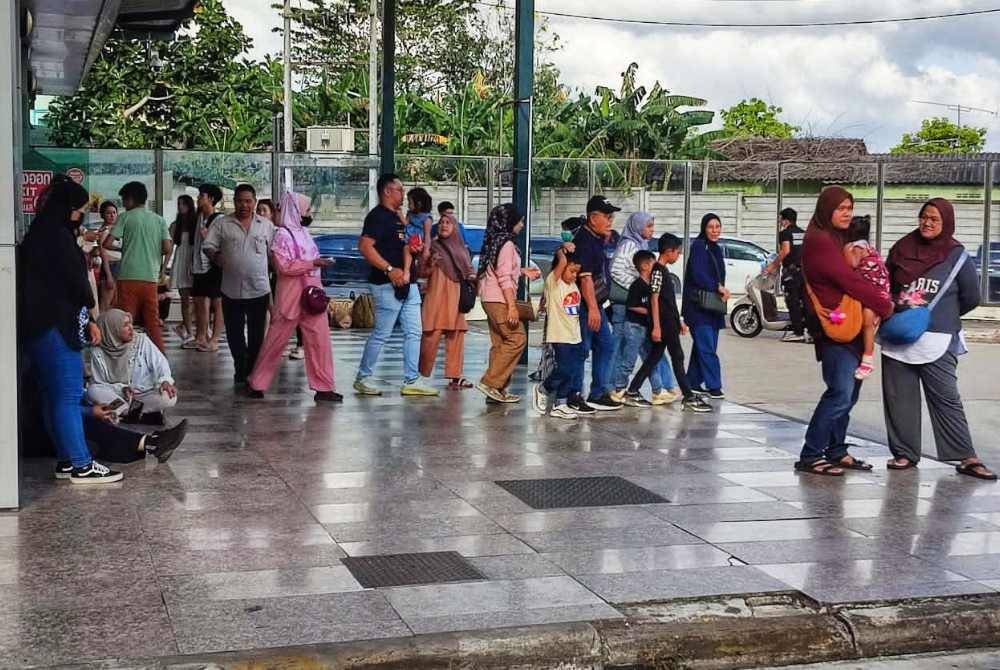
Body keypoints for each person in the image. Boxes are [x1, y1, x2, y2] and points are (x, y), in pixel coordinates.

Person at [882, 198, 995, 480]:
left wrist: (941, 316)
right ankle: (905, 453)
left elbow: (971, 297)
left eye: (934, 219)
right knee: (899, 398)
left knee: (946, 398)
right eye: (924, 217)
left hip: (937, 338)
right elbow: (886, 286)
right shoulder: (901, 249)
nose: (927, 223)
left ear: (946, 223)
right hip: (898, 335)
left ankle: (966, 456)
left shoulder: (956, 255)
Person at [21, 178, 123, 484]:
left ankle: (67, 460)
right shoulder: (58, 239)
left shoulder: (37, 234)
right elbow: (77, 284)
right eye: (79, 210)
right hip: (57, 327)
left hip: (37, 328)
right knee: (67, 395)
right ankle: (81, 463)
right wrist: (92, 314)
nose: (79, 216)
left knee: (53, 396)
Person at [797, 186, 893, 477]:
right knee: (840, 393)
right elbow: (848, 279)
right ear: (827, 209)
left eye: (850, 208)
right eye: (841, 208)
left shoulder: (836, 237)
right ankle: (811, 453)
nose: (847, 213)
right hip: (836, 326)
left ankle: (836, 450)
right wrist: (884, 305)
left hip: (849, 324)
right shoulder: (819, 240)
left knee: (848, 394)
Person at [246, 192, 340, 402]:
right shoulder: (282, 236)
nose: (309, 213)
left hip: (311, 297)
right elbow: (282, 266)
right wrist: (313, 264)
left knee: (320, 342)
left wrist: (317, 264)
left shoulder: (304, 233)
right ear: (296, 211)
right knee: (275, 342)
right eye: (306, 209)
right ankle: (257, 383)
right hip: (291, 298)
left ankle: (324, 387)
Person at [354, 174, 438, 397]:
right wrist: (390, 270)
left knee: (414, 332)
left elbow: (404, 246)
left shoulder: (399, 219)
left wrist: (412, 260)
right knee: (382, 332)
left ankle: (412, 379)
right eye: (400, 190)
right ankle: (363, 377)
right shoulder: (377, 217)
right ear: (387, 191)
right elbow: (365, 246)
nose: (403, 194)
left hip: (408, 283)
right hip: (386, 284)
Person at [626, 235, 713, 413]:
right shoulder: (658, 271)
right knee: (677, 357)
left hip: (670, 322)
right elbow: (655, 299)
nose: (679, 256)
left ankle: (633, 390)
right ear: (669, 251)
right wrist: (657, 326)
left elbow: (669, 301)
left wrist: (679, 320)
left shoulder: (662, 271)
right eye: (678, 252)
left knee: (653, 358)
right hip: (664, 325)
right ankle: (688, 396)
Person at [202, 183, 274, 386]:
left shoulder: (266, 226)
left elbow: (275, 252)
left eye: (248, 201)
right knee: (234, 333)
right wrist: (216, 257)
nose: (244, 205)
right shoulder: (223, 223)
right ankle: (239, 366)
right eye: (240, 201)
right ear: (234, 202)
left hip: (259, 288)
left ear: (255, 202)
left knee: (256, 334)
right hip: (231, 289)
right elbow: (208, 246)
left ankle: (251, 371)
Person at [608, 211, 678, 405]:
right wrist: (636, 285)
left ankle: (659, 387)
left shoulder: (641, 246)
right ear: (638, 227)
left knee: (645, 351)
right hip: (626, 308)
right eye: (648, 226)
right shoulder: (629, 245)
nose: (651, 230)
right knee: (624, 352)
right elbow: (615, 269)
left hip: (637, 311)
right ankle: (613, 387)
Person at [476, 203, 541, 403]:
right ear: (510, 222)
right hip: (500, 300)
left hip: (489, 299)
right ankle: (490, 382)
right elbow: (504, 277)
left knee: (500, 343)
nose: (521, 225)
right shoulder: (507, 244)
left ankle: (496, 391)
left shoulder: (495, 240)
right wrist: (512, 306)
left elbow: (498, 270)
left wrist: (522, 271)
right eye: (519, 221)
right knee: (517, 338)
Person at [103, 181, 172, 353]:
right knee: (152, 322)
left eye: (124, 200)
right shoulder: (159, 220)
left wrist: (124, 247)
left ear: (131, 199)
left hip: (128, 276)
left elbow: (107, 243)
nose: (124, 205)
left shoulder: (125, 217)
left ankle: (126, 358)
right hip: (150, 278)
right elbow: (167, 248)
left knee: (126, 321)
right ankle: (161, 361)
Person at [571, 195, 624, 412]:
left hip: (596, 304)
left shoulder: (594, 238)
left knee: (606, 344)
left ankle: (598, 392)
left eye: (611, 216)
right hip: (585, 306)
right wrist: (593, 308)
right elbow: (585, 278)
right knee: (581, 349)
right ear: (593, 218)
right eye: (607, 216)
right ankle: (573, 394)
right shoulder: (584, 241)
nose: (610, 221)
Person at [86, 308, 178, 424]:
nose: (131, 328)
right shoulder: (97, 351)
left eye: (130, 323)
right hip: (118, 396)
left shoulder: (141, 341)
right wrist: (122, 388)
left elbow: (160, 364)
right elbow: (100, 383)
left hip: (143, 393)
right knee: (93, 391)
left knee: (168, 397)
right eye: (125, 325)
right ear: (112, 330)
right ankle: (138, 414)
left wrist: (165, 381)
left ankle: (126, 414)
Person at [418, 213, 475, 389]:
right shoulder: (432, 246)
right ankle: (420, 376)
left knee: (456, 335)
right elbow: (421, 271)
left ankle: (455, 376)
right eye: (441, 222)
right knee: (431, 335)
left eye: (448, 223)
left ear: (455, 227)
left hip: (456, 298)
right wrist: (431, 264)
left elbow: (469, 271)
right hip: (437, 296)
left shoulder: (462, 249)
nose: (444, 225)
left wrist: (473, 277)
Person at [531, 242, 584, 419]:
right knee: (564, 368)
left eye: (577, 272)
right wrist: (562, 250)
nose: (574, 275)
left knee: (572, 370)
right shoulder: (554, 283)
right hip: (559, 334)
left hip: (574, 335)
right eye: (571, 271)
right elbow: (561, 264)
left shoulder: (573, 286)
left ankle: (560, 403)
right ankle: (543, 389)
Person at [682, 213, 729, 399]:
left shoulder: (716, 248)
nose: (715, 231)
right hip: (698, 307)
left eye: (718, 227)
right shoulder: (699, 247)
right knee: (707, 347)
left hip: (713, 307)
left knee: (703, 347)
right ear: (704, 228)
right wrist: (717, 287)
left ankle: (692, 382)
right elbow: (699, 274)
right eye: (711, 227)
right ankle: (714, 385)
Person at [841, 215, 889, 380]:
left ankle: (867, 359)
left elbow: (852, 265)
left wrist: (845, 250)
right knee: (867, 319)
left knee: (867, 320)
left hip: (871, 292)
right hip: (880, 290)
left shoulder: (854, 247)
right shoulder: (868, 246)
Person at [258, 197, 304, 360]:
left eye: (264, 210)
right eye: (259, 210)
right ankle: (275, 343)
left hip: (283, 277)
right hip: (268, 275)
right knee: (275, 311)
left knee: (290, 311)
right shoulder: (261, 230)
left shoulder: (281, 233)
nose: (260, 213)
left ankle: (299, 344)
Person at [191, 183, 225, 352]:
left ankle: (215, 339)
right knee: (199, 300)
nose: (198, 198)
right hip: (199, 266)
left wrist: (208, 238)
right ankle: (201, 335)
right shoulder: (199, 218)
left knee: (217, 302)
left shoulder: (218, 220)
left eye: (201, 196)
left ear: (211, 199)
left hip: (213, 266)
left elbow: (220, 244)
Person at [765, 208, 808, 342]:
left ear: (786, 220)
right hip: (805, 272)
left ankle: (797, 332)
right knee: (804, 302)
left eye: (780, 219)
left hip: (792, 272)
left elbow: (785, 251)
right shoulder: (802, 233)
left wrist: (772, 265)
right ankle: (809, 331)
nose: (779, 221)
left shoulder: (784, 233)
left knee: (792, 301)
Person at [169, 194, 198, 347]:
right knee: (185, 298)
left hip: (193, 260)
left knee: (199, 298)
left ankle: (187, 327)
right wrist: (163, 267)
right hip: (181, 260)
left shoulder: (196, 223)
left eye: (184, 204)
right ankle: (189, 332)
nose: (181, 207)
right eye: (179, 204)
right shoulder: (176, 225)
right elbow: (170, 248)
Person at [96, 200, 120, 312]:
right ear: (102, 215)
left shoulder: (115, 230)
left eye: (114, 212)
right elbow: (103, 253)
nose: (112, 215)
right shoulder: (104, 231)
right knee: (105, 303)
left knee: (114, 303)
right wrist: (108, 275)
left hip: (119, 266)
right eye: (108, 213)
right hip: (110, 266)